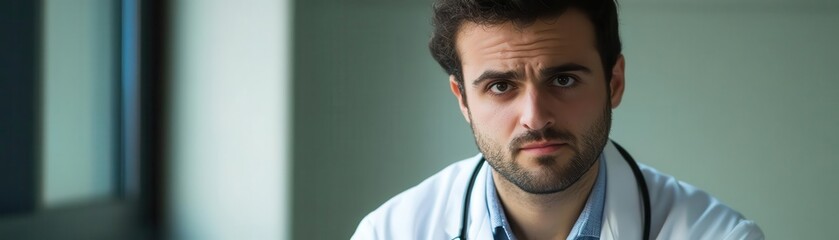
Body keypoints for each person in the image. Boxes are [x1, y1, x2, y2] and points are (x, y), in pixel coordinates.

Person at [352, 0, 764, 239]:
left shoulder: (719, 235)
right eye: (500, 86)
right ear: (463, 100)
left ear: (614, 82)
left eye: (563, 79)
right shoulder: (388, 233)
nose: (535, 117)